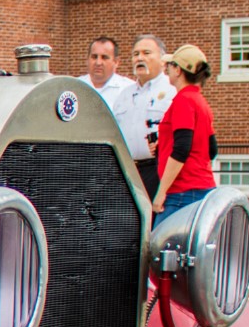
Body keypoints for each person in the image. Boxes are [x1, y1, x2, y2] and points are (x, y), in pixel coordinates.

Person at [152, 44, 218, 223]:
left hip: (181, 192)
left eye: (171, 65)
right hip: (204, 188)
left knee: (161, 246)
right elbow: (211, 149)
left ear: (178, 71)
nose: (167, 69)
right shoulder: (201, 102)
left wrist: (161, 192)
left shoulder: (183, 101)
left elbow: (182, 149)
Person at [113, 34, 175, 196]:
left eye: (146, 53)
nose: (140, 58)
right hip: (128, 171)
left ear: (163, 60)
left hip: (157, 170)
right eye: (135, 54)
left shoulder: (172, 90)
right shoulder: (124, 94)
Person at [78, 37, 130, 112]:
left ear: (116, 62)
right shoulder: (75, 86)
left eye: (104, 57)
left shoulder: (127, 90)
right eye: (94, 57)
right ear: (87, 59)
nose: (98, 62)